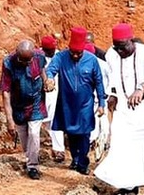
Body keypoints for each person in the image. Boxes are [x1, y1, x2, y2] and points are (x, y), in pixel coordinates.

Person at [95, 23, 144, 193]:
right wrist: (112, 94)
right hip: (125, 106)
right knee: (121, 141)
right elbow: (113, 77)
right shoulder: (112, 54)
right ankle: (130, 184)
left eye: (123, 47)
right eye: (116, 47)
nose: (120, 51)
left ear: (131, 41)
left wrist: (142, 88)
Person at [45, 27, 106, 175]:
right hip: (67, 104)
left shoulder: (92, 60)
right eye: (73, 52)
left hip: (85, 104)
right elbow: (51, 69)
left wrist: (102, 103)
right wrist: (50, 79)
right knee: (71, 133)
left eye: (79, 53)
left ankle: (83, 162)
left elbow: (99, 81)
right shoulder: (61, 57)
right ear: (69, 48)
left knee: (84, 134)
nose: (76, 55)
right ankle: (75, 158)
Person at [0, 40, 49, 180]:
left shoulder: (39, 56)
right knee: (23, 136)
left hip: (36, 102)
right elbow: (5, 92)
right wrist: (9, 120)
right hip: (18, 105)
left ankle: (33, 166)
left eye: (29, 61)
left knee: (34, 133)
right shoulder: (8, 63)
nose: (26, 64)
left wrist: (46, 81)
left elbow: (42, 70)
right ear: (17, 54)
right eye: (23, 61)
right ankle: (30, 158)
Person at [40, 35, 65, 163]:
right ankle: (34, 149)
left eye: (51, 50)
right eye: (47, 50)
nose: (49, 52)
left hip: (57, 93)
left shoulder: (60, 57)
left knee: (56, 121)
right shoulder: (38, 57)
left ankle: (59, 150)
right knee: (40, 120)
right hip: (41, 94)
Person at [85, 43, 110, 161]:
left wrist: (109, 94)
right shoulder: (83, 64)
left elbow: (111, 80)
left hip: (101, 97)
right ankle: (94, 142)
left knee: (102, 121)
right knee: (94, 121)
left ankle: (102, 143)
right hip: (90, 98)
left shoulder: (103, 65)